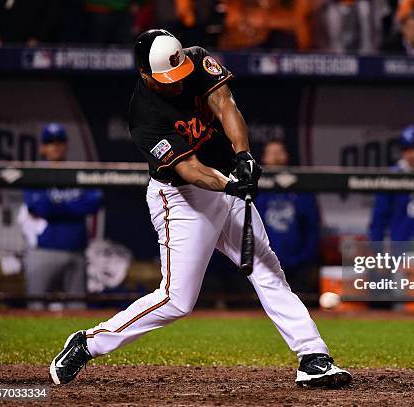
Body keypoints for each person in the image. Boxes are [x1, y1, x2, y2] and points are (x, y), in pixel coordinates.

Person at [49, 29, 351, 389]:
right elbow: (190, 170)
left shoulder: (193, 59)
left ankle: (312, 357)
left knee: (267, 269)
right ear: (145, 74)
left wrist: (243, 156)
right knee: (176, 301)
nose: (176, 85)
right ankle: (88, 343)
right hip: (182, 199)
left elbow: (225, 104)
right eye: (167, 80)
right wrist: (231, 184)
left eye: (179, 75)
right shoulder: (144, 116)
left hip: (224, 182)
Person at [18, 124, 102, 310]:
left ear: (66, 145)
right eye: (49, 142)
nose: (55, 146)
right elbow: (39, 207)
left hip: (76, 251)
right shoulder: (35, 174)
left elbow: (94, 203)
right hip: (43, 251)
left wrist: (56, 205)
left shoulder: (78, 172)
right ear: (42, 147)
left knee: (77, 310)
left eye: (59, 141)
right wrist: (74, 207)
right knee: (35, 308)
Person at [255, 139, 320, 294]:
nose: (276, 157)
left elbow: (312, 228)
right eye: (272, 153)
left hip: (298, 265)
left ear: (287, 156)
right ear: (263, 158)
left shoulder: (301, 189)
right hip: (263, 263)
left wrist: (304, 258)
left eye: (280, 152)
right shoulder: (255, 189)